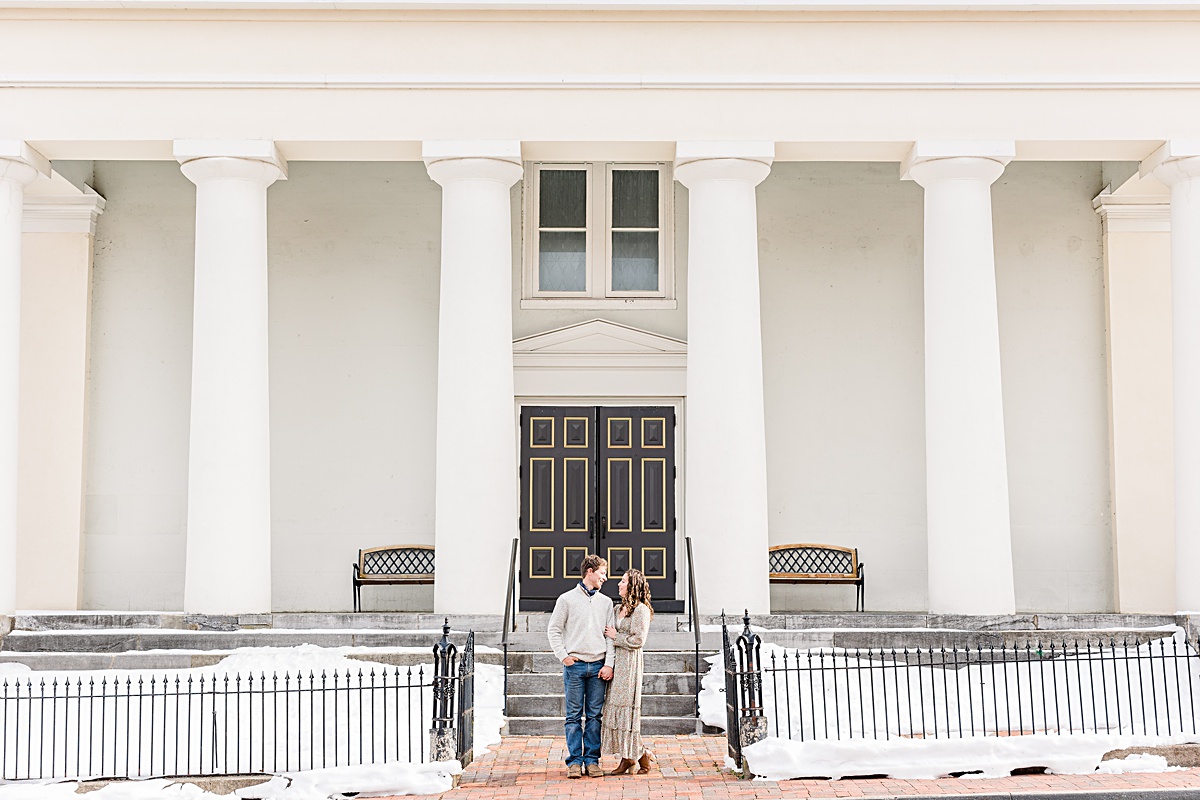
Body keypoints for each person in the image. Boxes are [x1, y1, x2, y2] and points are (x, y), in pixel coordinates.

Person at [546, 554, 615, 779]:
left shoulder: (606, 603)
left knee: (595, 716)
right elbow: (554, 629)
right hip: (574, 666)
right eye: (602, 573)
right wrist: (563, 656)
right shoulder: (566, 599)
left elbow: (610, 637)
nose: (605, 577)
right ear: (590, 571)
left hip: (598, 667)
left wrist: (609, 664)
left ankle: (592, 761)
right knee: (573, 717)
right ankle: (575, 762)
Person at [600, 567, 656, 775]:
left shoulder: (640, 610)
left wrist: (617, 637)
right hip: (616, 663)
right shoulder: (617, 609)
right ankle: (632, 756)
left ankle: (637, 756)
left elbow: (638, 640)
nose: (619, 584)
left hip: (630, 665)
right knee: (615, 711)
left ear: (632, 585)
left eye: (623, 581)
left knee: (627, 713)